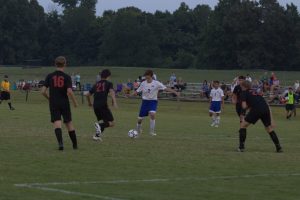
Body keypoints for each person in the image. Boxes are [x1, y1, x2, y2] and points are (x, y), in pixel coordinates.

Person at [41, 56, 78, 151]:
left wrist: (49, 99)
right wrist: (75, 102)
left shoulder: (49, 76)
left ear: (55, 64)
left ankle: (61, 144)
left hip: (54, 102)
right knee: (69, 122)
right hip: (64, 102)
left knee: (57, 122)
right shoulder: (67, 77)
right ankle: (74, 145)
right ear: (65, 64)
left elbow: (43, 91)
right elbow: (69, 91)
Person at [238, 80, 282, 153]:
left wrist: (245, 110)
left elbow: (244, 106)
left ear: (243, 86)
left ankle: (241, 147)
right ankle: (278, 147)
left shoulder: (244, 93)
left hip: (256, 109)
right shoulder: (255, 92)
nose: (240, 86)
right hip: (265, 108)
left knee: (243, 125)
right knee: (269, 128)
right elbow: (264, 102)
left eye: (241, 85)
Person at [134, 70, 179, 136]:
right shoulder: (143, 83)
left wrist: (175, 92)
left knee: (152, 114)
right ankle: (138, 129)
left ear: (150, 75)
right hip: (145, 102)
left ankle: (151, 132)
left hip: (153, 101)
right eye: (145, 75)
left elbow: (165, 88)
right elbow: (137, 91)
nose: (146, 76)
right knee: (140, 119)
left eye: (147, 75)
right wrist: (131, 94)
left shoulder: (156, 83)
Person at [86, 69, 118, 141]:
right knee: (112, 123)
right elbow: (112, 92)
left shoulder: (96, 84)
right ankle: (99, 126)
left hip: (95, 106)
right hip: (103, 105)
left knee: (103, 122)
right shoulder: (109, 83)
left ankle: (97, 136)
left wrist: (89, 103)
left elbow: (87, 95)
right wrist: (115, 102)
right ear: (108, 76)